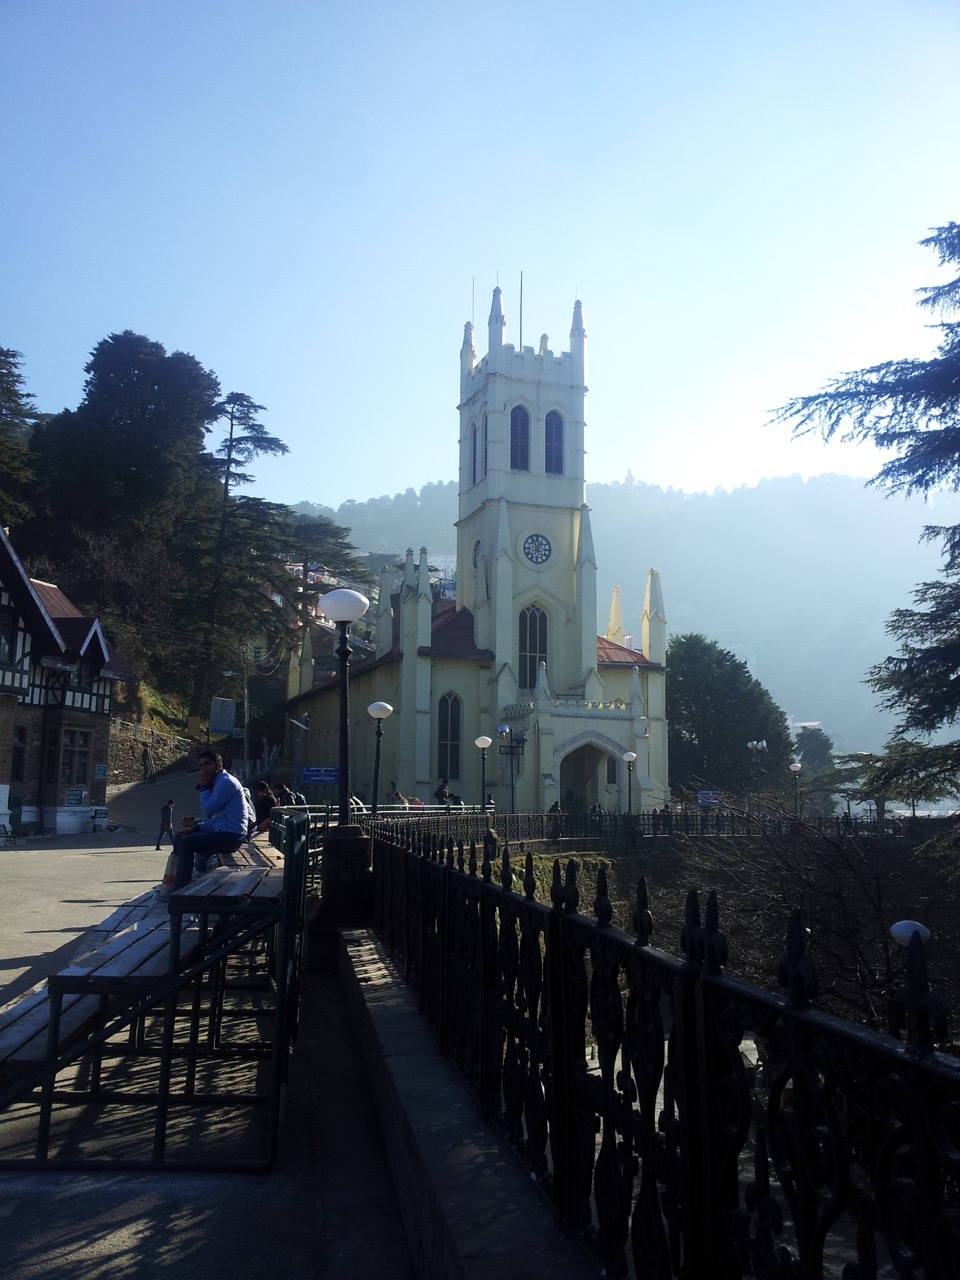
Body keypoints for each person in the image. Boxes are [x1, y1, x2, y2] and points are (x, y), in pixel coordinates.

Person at [173, 750, 248, 890]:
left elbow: (207, 810)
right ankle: (175, 879)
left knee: (186, 843)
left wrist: (204, 787)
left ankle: (181, 890)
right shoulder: (219, 782)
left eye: (207, 764)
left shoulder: (225, 782)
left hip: (232, 835)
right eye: (201, 766)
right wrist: (195, 828)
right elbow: (216, 821)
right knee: (180, 837)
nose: (203, 769)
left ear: (218, 765)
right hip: (226, 832)